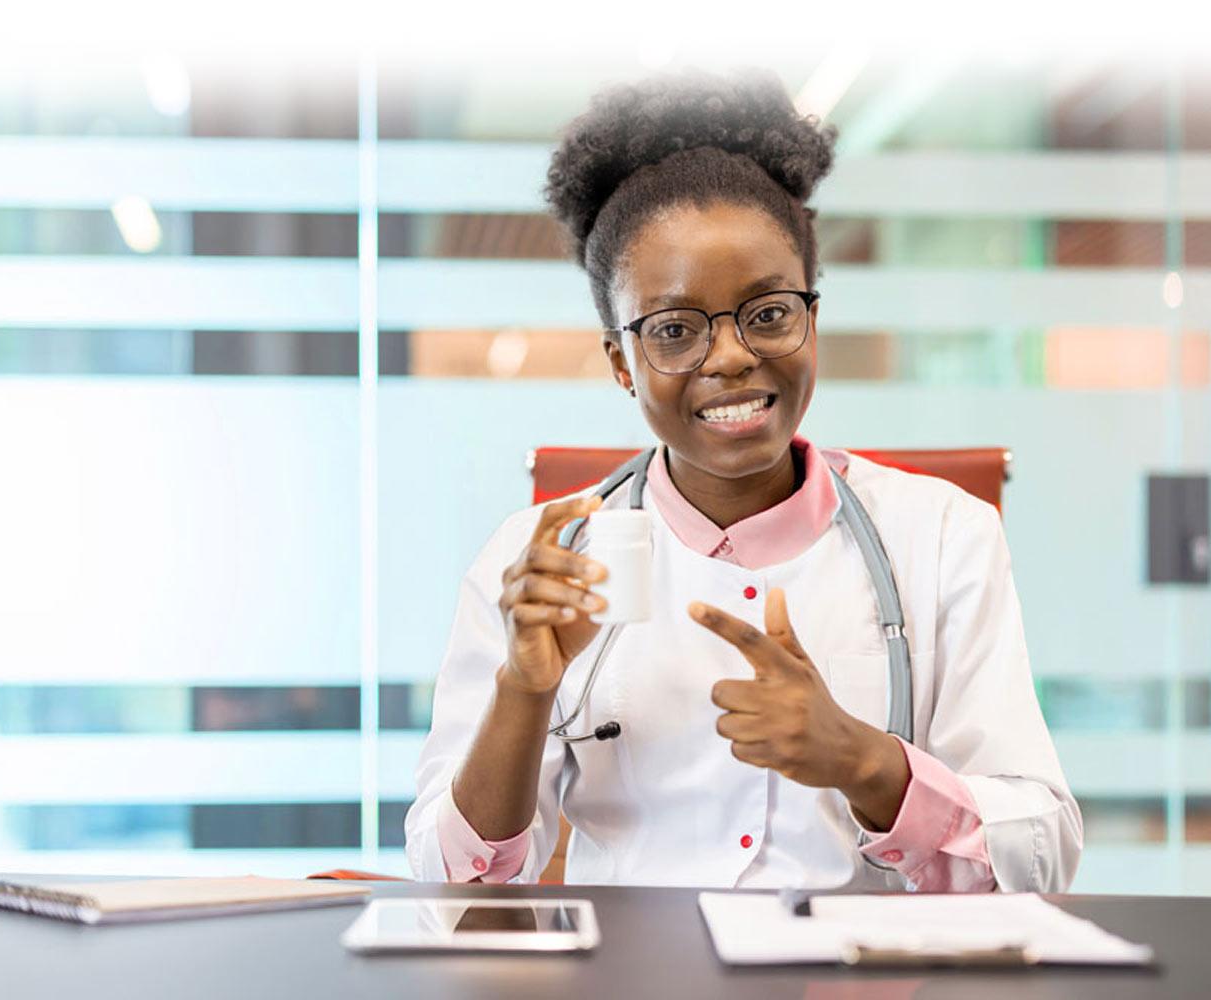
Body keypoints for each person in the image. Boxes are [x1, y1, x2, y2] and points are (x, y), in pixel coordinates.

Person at [404, 69, 1081, 891]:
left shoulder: (944, 537)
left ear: (812, 320)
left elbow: (1045, 851)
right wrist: (523, 690)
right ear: (622, 362)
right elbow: (459, 880)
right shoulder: (536, 564)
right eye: (675, 329)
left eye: (768, 314)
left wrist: (866, 763)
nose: (729, 357)